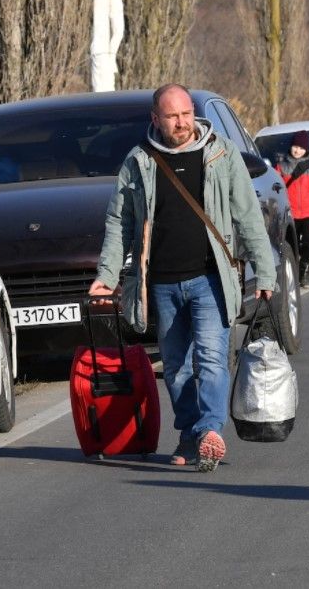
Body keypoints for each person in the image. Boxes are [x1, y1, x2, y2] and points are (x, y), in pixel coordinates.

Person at [88, 84, 276, 472]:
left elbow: (247, 216)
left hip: (210, 278)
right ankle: (191, 434)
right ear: (155, 119)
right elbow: (118, 222)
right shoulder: (139, 160)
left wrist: (265, 270)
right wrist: (107, 275)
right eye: (173, 116)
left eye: (187, 114)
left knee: (210, 358)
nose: (182, 123)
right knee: (176, 368)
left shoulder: (220, 153)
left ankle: (210, 430)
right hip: (161, 283)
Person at [278, 130, 309, 287]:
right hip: (290, 214)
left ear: (306, 149)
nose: (297, 150)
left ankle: (305, 271)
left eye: (301, 147)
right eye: (295, 146)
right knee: (291, 246)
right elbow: (276, 188)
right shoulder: (281, 167)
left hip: (308, 214)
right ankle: (292, 270)